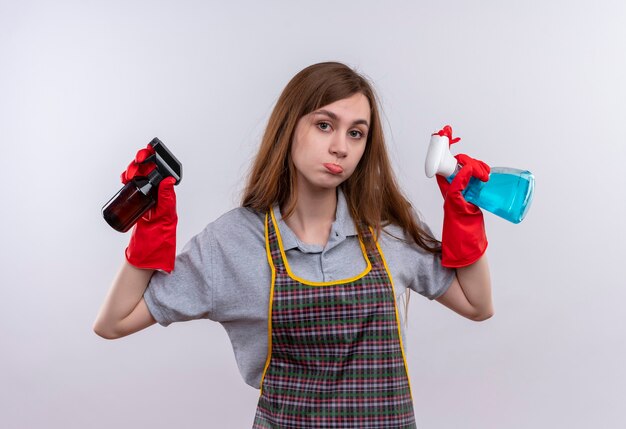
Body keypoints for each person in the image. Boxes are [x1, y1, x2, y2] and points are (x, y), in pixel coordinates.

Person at [94, 61, 493, 428]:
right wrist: (152, 232)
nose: (341, 146)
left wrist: (465, 215)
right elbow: (113, 323)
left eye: (356, 133)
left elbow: (477, 305)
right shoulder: (231, 243)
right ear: (290, 127)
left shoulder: (387, 228)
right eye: (324, 125)